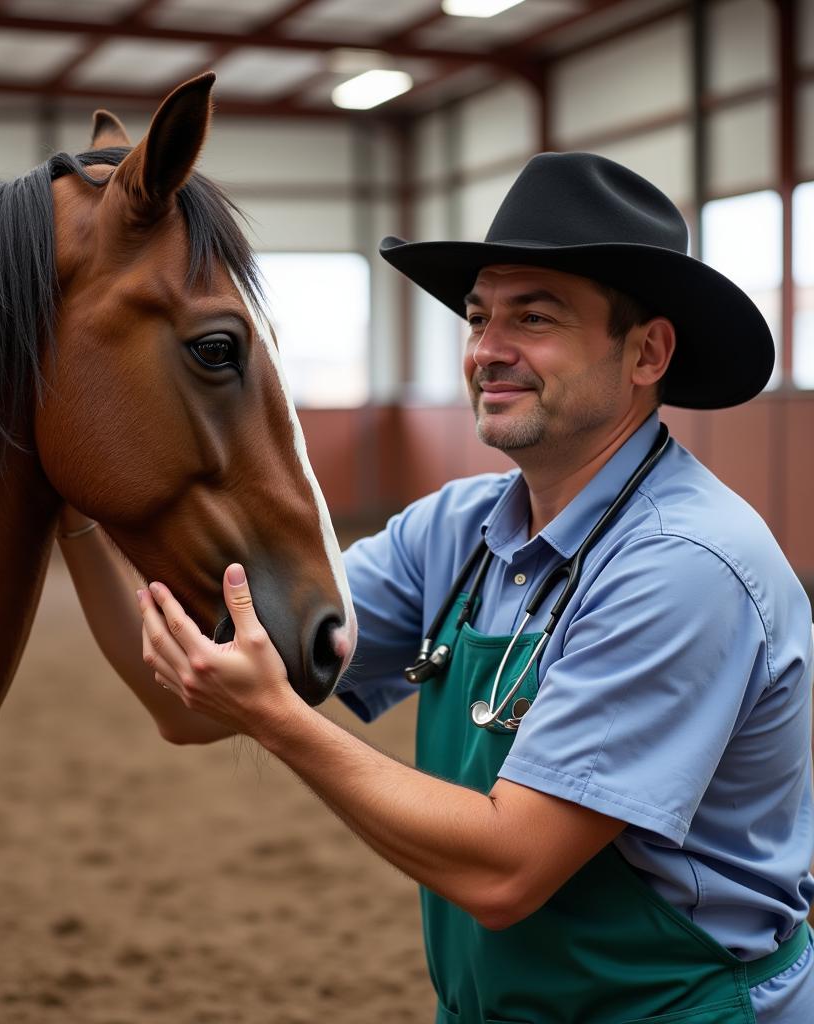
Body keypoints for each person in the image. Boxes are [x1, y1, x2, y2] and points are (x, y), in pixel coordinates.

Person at [61, 152, 814, 1023]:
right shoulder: (456, 532)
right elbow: (190, 706)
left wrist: (277, 718)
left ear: (647, 352)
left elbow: (507, 869)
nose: (488, 351)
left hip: (678, 1008)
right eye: (479, 316)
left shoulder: (684, 566)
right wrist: (75, 508)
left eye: (534, 317)